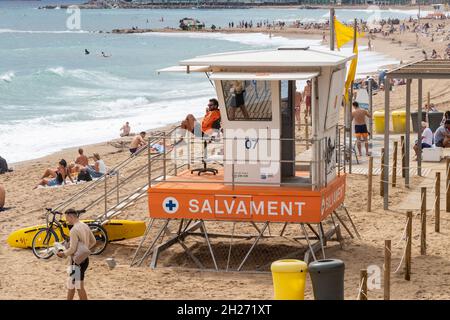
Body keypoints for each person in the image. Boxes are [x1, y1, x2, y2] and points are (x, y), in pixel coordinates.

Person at [56, 208, 96, 300]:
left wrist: (63, 254)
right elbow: (93, 241)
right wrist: (84, 250)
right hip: (85, 260)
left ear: (71, 216)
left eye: (67, 217)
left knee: (79, 287)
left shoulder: (74, 230)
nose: (66, 220)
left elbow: (72, 249)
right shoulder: (85, 225)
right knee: (72, 285)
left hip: (77, 262)